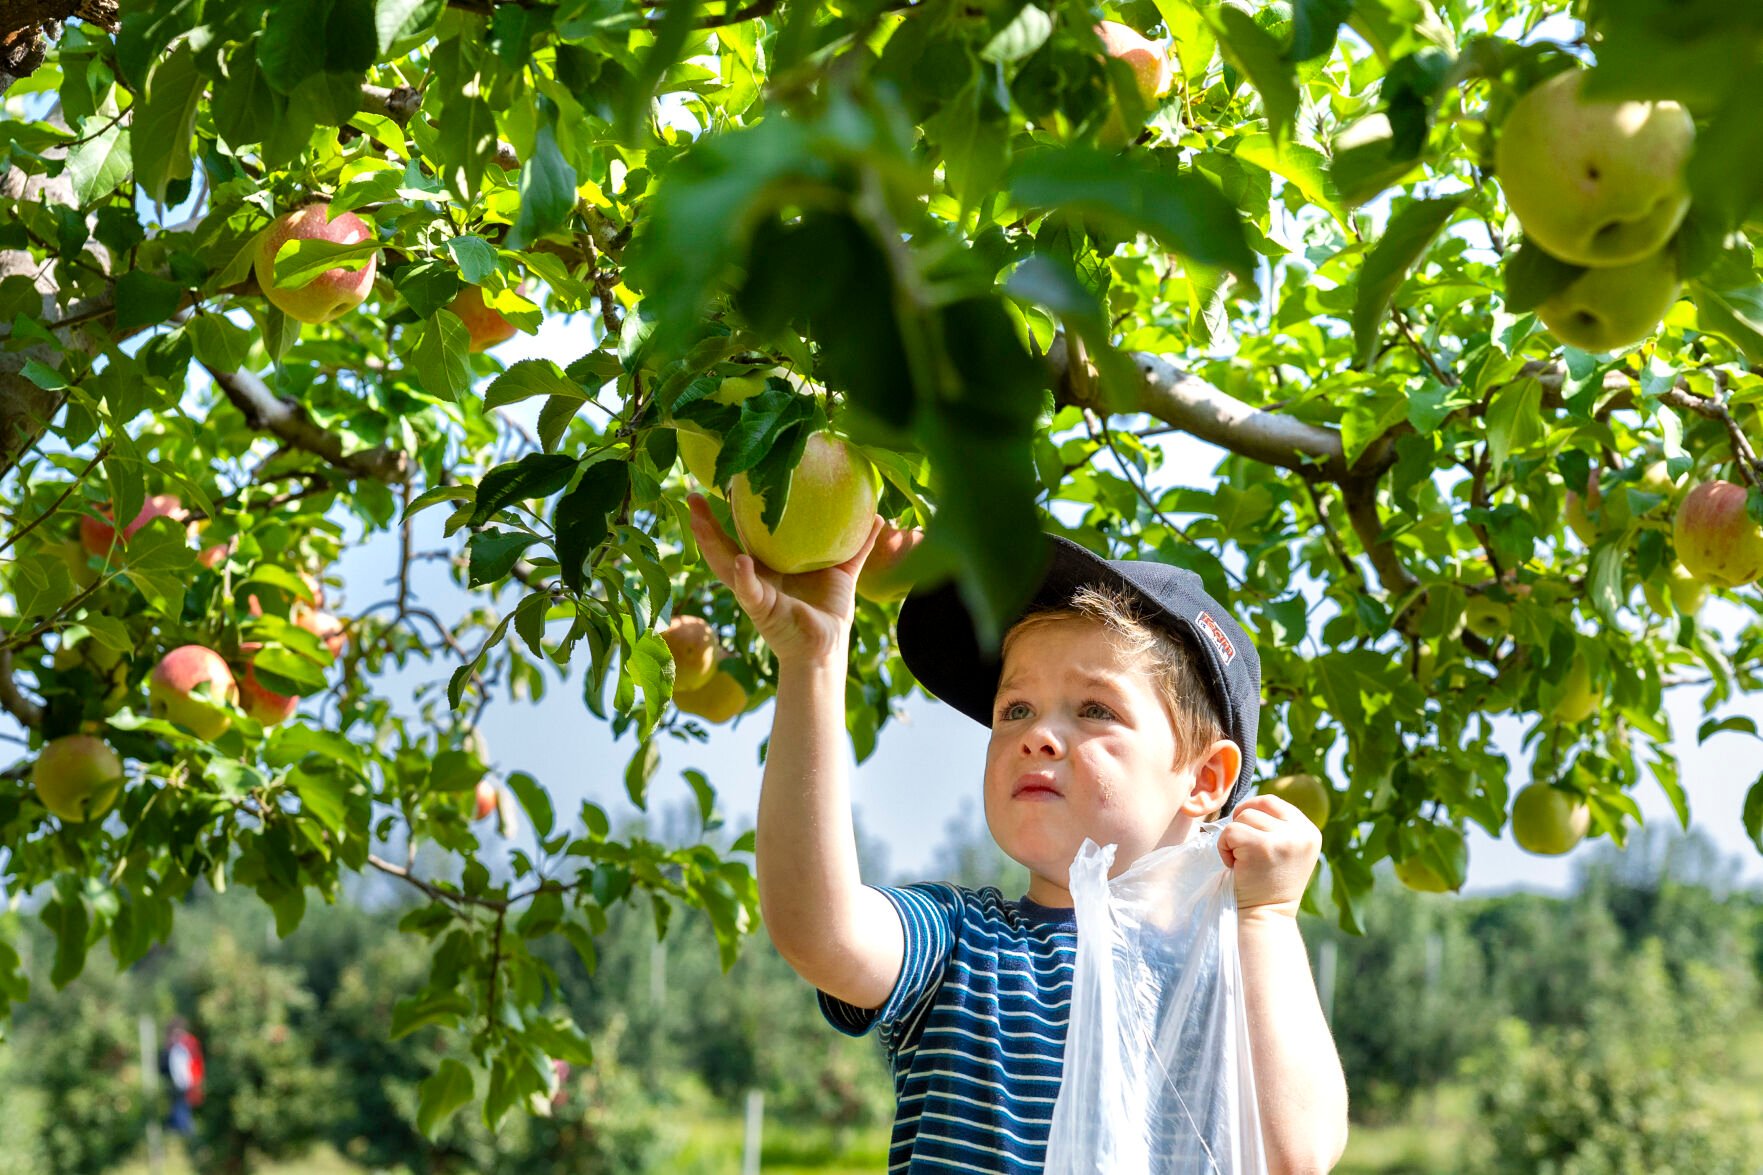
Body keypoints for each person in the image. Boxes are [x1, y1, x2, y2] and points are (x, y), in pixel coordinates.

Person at [689, 496, 1350, 1172]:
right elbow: (817, 928)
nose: (1036, 735)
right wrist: (814, 661)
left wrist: (1267, 916)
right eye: (1016, 708)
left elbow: (1294, 1154)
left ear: (1206, 778)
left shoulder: (1227, 977)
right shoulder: (960, 943)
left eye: (1095, 708)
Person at [162, 1015, 205, 1139]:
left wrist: (190, 1082)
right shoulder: (180, 1046)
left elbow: (188, 1065)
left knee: (182, 1110)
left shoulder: (184, 1046)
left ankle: (186, 1136)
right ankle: (184, 1137)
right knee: (180, 1109)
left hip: (185, 1083)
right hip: (184, 1083)